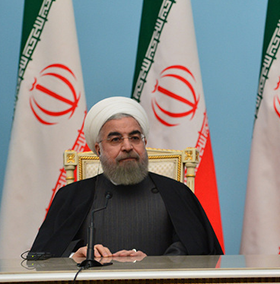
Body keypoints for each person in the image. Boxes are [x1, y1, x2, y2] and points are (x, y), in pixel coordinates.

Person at [30, 96, 223, 259]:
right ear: (98, 149)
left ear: (144, 142)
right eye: (115, 139)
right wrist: (75, 255)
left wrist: (156, 265)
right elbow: (41, 257)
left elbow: (198, 250)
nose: (128, 146)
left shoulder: (176, 192)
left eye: (135, 137)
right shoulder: (72, 196)